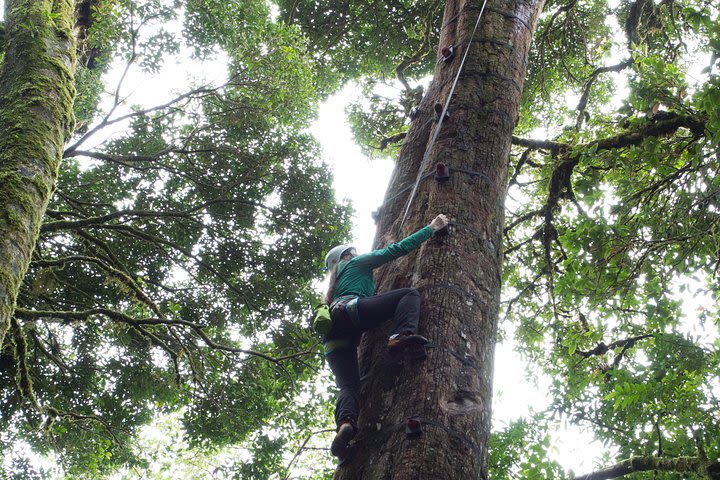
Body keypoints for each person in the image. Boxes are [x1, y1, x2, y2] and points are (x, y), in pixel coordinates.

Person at [322, 213, 449, 461]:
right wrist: (431, 228)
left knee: (349, 386)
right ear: (346, 256)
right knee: (408, 295)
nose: (357, 255)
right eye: (354, 252)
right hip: (351, 312)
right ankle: (401, 335)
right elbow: (394, 250)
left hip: (333, 339)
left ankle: (345, 425)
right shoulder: (355, 264)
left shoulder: (332, 288)